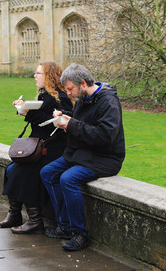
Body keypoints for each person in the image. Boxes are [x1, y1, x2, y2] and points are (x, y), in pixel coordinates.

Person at [40, 63, 125, 252]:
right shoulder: (83, 97)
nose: (68, 93)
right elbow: (83, 120)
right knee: (47, 172)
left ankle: (80, 234)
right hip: (82, 153)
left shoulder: (108, 102)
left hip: (105, 158)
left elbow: (104, 136)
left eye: (70, 89)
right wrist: (65, 116)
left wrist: (71, 125)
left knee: (67, 179)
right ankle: (64, 226)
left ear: (83, 83)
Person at [0, 61, 73, 234]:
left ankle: (35, 220)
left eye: (38, 73)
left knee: (22, 172)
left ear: (48, 76)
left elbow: (54, 126)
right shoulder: (44, 95)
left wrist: (29, 112)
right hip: (39, 149)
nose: (35, 76)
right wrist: (24, 109)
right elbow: (40, 122)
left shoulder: (61, 98)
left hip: (53, 150)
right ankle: (15, 214)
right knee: (10, 169)